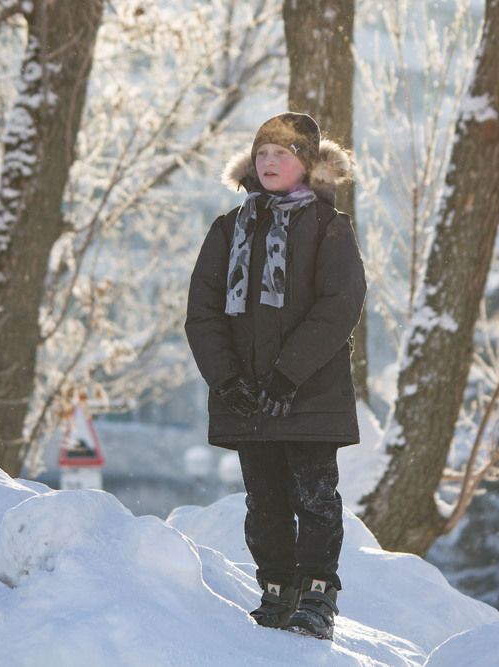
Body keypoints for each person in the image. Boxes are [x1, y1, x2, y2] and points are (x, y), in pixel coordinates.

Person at [184, 112, 366, 640]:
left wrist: (288, 375)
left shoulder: (330, 228)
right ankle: (277, 589)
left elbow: (339, 306)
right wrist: (227, 380)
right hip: (246, 396)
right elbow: (203, 312)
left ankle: (315, 594)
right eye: (262, 153)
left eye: (281, 154)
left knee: (313, 497)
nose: (269, 163)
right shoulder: (227, 229)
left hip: (308, 393)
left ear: (306, 164)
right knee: (264, 502)